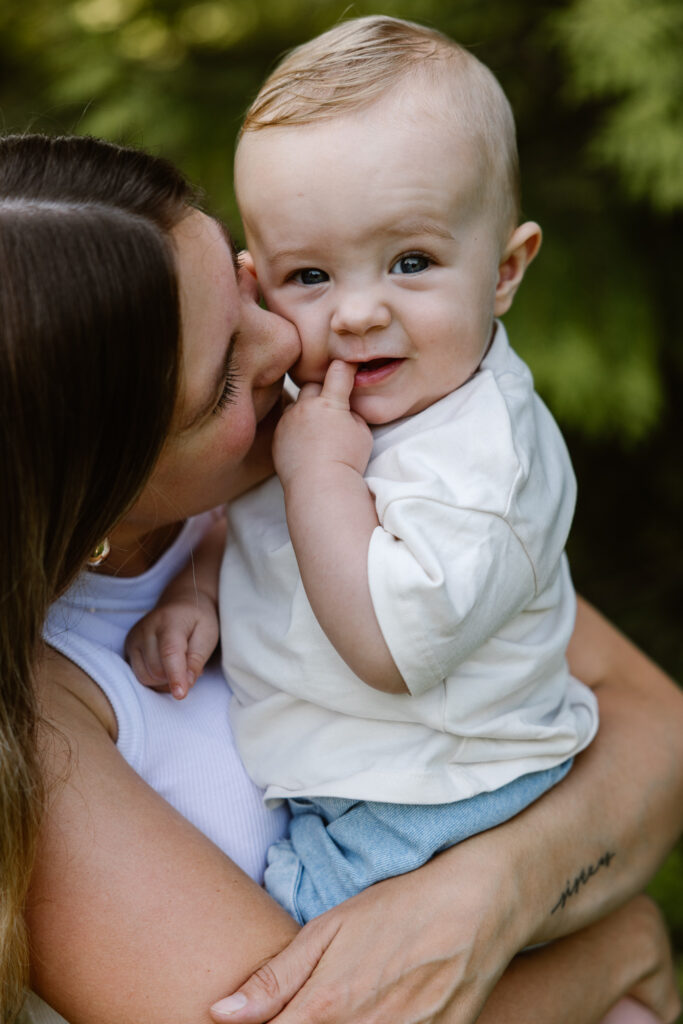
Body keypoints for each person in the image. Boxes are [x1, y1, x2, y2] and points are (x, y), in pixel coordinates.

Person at [1, 132, 680, 1024]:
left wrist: (500, 890)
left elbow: (658, 723)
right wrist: (617, 949)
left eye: (250, 288)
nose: (291, 340)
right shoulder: (40, 722)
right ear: (86, 492)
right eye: (224, 382)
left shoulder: (326, 462)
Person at [128, 15, 602, 926]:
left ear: (504, 270)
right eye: (309, 276)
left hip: (443, 800)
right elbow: (252, 518)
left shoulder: (484, 464)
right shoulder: (335, 399)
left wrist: (320, 478)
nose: (353, 314)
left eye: (410, 262)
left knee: (294, 962)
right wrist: (199, 588)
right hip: (356, 785)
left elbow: (387, 646)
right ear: (256, 280)